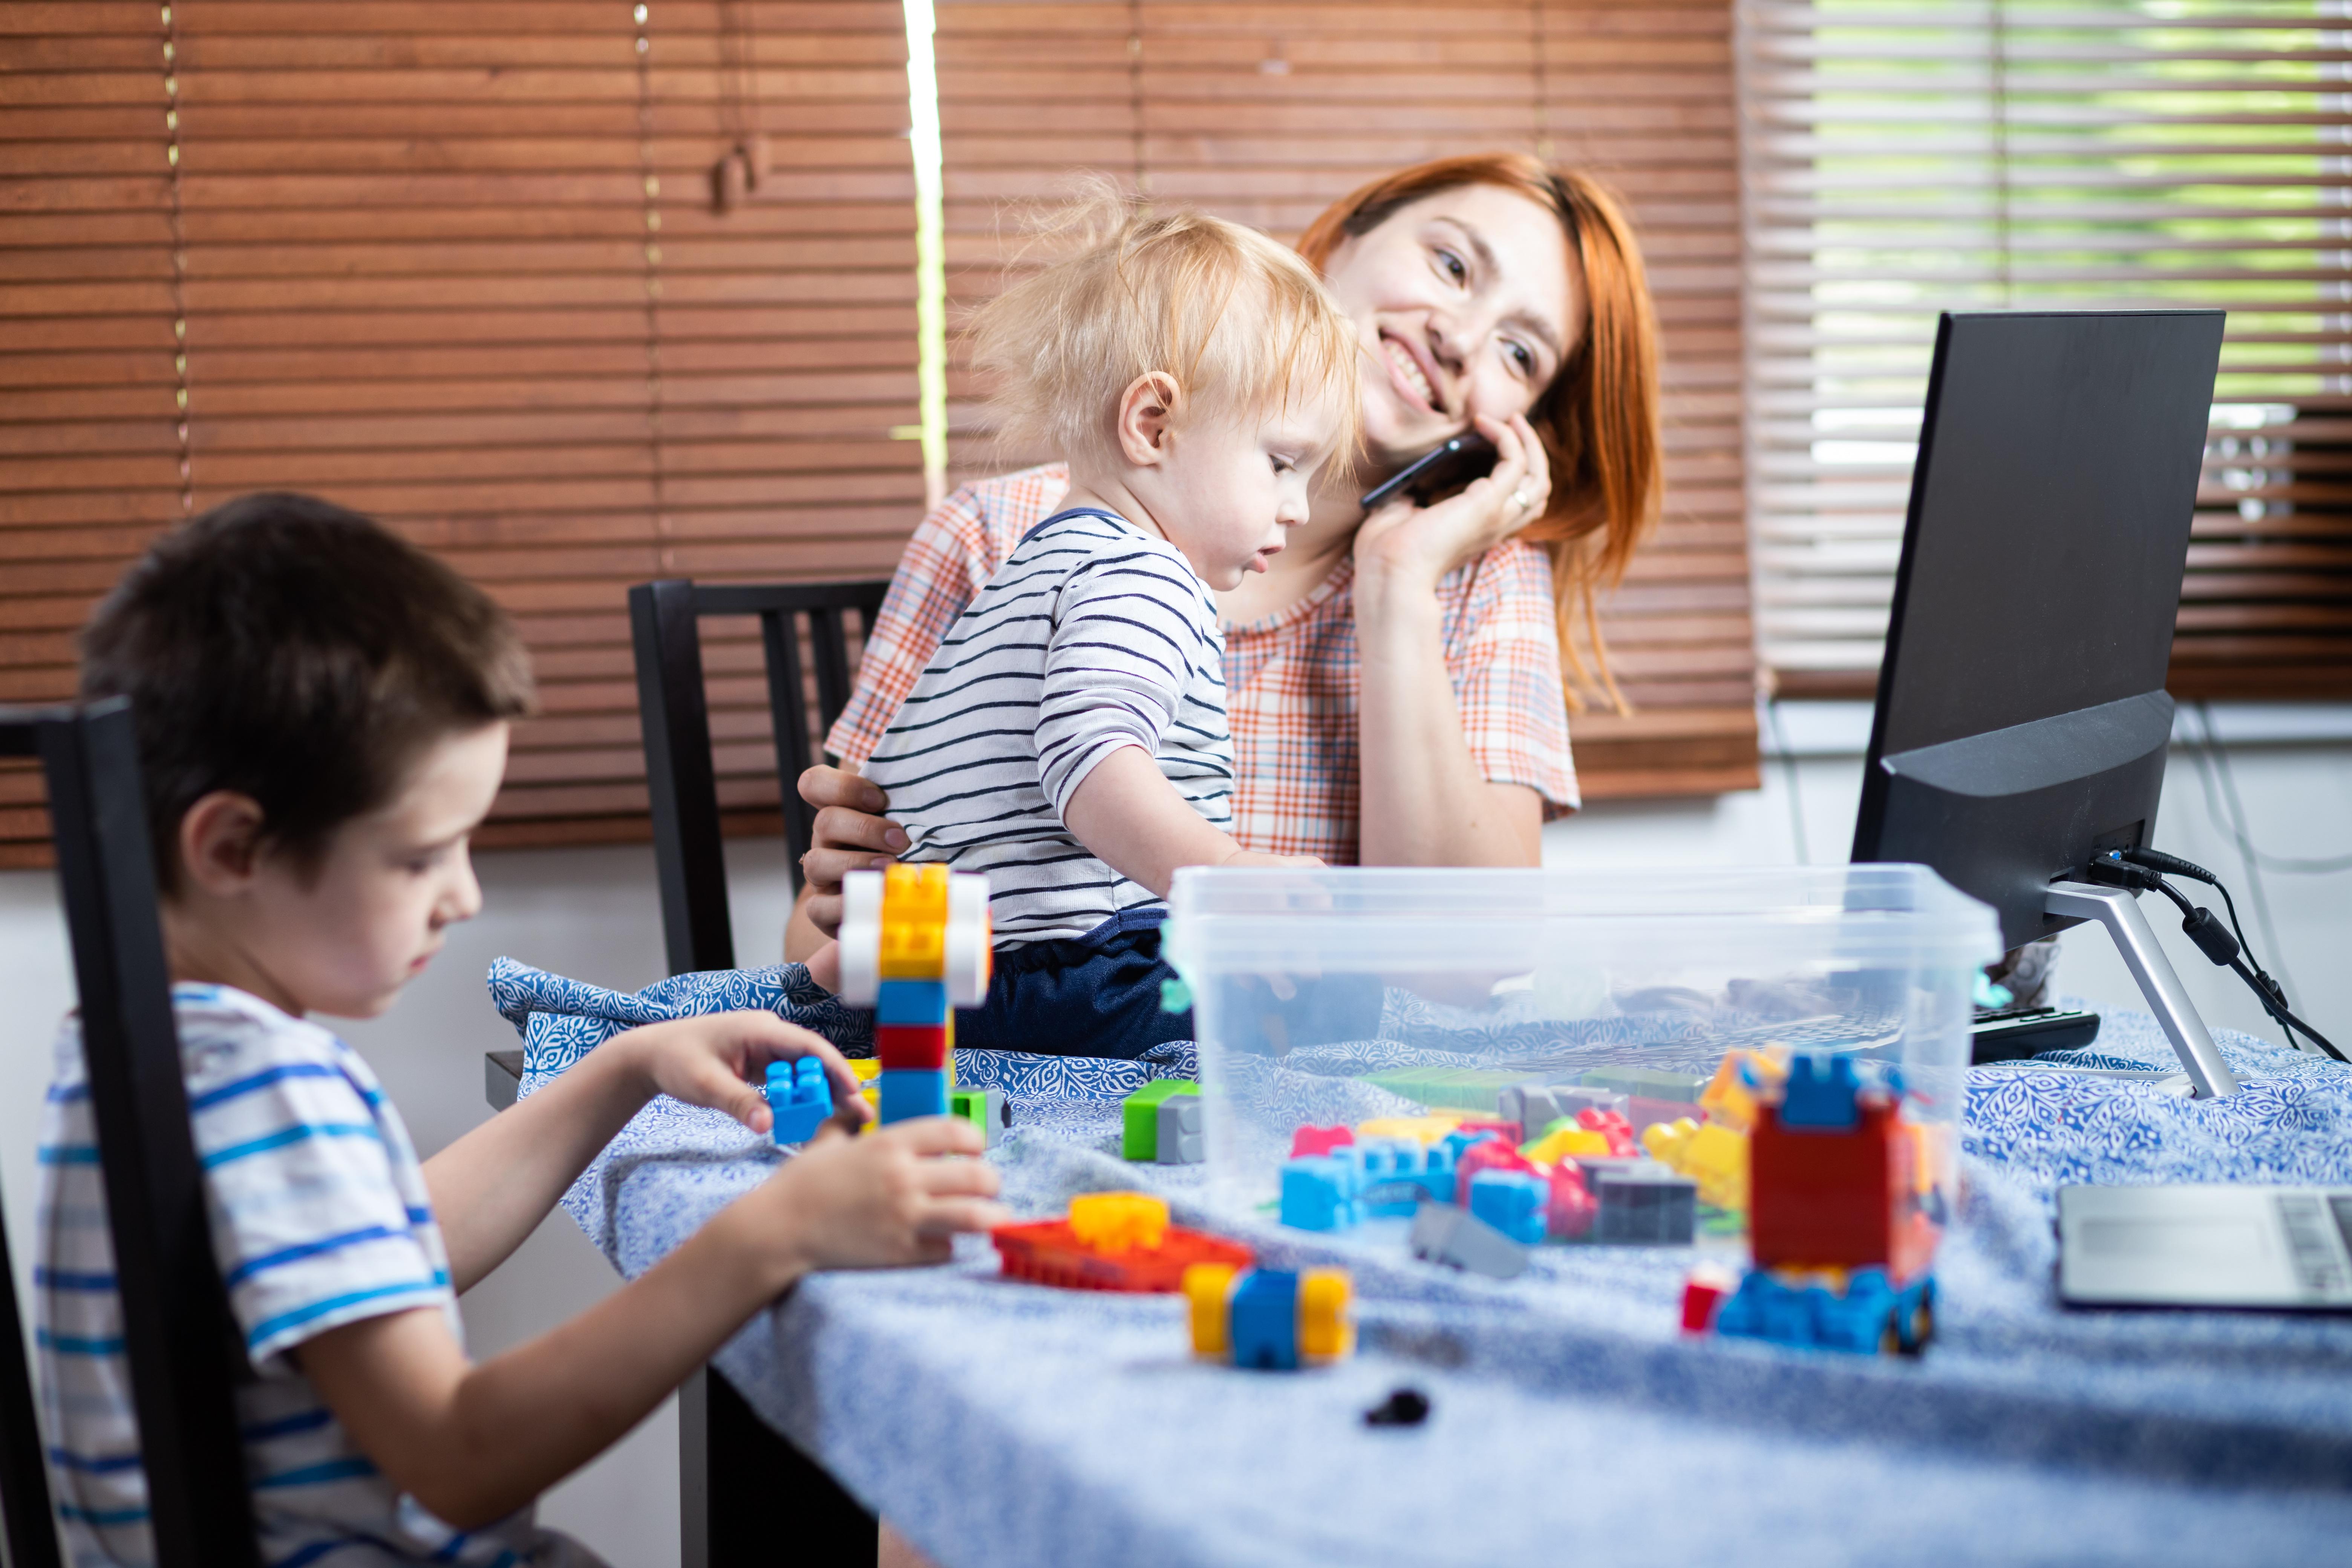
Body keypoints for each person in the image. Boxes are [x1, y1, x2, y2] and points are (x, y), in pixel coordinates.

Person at [38, 494, 1009, 1568]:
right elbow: (459, 1453)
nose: (462, 898)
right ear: (230, 850)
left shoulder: (149, 1054)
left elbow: (404, 1247)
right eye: (421, 856)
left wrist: (625, 1067)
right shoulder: (270, 1085)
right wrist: (767, 1234)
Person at [791, 153, 1663, 1002]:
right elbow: (817, 947)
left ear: (1516, 429)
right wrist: (856, 891)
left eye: (1521, 354)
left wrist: (1397, 584)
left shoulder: (1476, 577)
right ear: (1343, 241)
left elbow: (1467, 962)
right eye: (1451, 263)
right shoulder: (990, 536)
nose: (1462, 337)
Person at [804, 205, 1353, 1057]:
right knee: (1336, 1004)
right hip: (1071, 979)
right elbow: (1092, 763)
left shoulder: (1024, 576)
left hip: (934, 974)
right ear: (1153, 426)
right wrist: (1226, 880)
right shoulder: (1144, 572)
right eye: (1282, 462)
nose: (1299, 505)